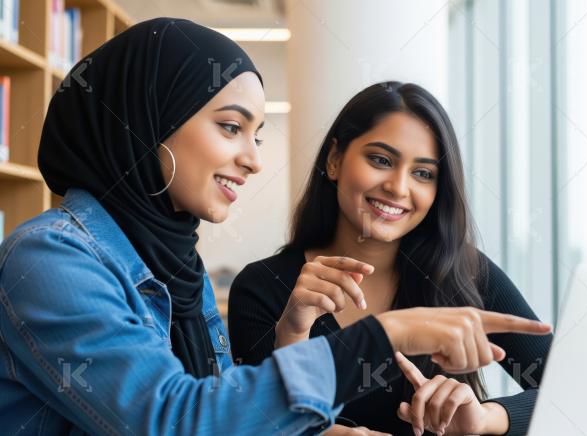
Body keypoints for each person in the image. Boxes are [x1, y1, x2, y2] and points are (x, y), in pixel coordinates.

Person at [0, 20, 550, 435]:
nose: (253, 159)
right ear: (151, 119)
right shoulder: (48, 259)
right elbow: (172, 418)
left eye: (256, 135)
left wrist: (485, 417)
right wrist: (383, 337)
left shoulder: (174, 267)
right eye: (231, 127)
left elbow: (221, 411)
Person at [229, 82, 553, 436]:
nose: (399, 187)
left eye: (423, 174)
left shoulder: (465, 272)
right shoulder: (264, 287)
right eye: (381, 160)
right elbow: (257, 422)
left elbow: (568, 393)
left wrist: (485, 417)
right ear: (335, 160)